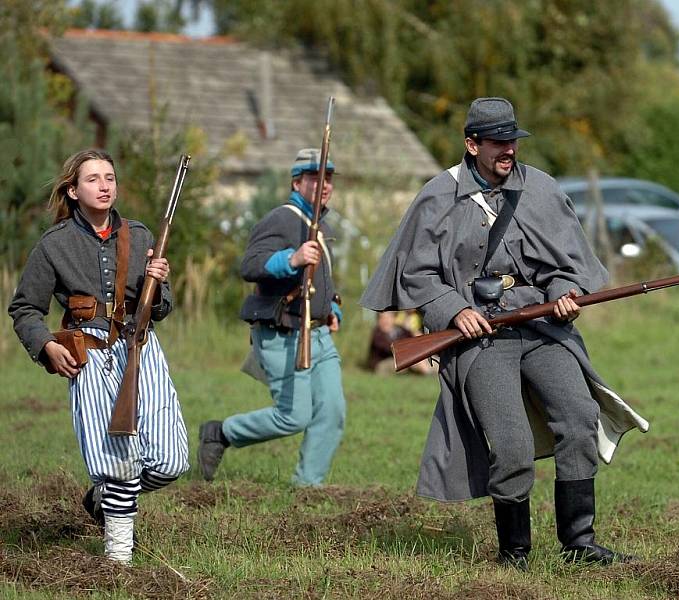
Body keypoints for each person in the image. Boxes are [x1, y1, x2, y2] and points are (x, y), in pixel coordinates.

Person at [360, 97, 649, 570]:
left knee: (579, 419)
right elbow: (417, 276)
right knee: (511, 446)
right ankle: (514, 555)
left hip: (540, 328)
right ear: (472, 144)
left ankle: (579, 544)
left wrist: (563, 293)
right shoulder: (437, 196)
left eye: (512, 141)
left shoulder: (540, 189)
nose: (509, 150)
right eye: (498, 142)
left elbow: (562, 265)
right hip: (480, 340)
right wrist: (454, 310)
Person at [7, 149, 190, 564]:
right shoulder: (54, 245)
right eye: (92, 179)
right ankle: (118, 562)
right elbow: (24, 309)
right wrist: (47, 346)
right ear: (73, 191)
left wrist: (159, 284)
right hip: (88, 354)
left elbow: (161, 309)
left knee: (172, 460)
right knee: (118, 462)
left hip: (141, 348)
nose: (104, 185)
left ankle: (101, 498)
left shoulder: (141, 235)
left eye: (109, 177)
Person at [197, 148, 346, 487]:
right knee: (293, 417)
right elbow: (250, 266)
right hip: (283, 334)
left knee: (332, 412)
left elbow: (323, 280)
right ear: (297, 182)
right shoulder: (281, 219)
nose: (324, 185)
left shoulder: (320, 222)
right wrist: (291, 259)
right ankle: (221, 433)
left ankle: (308, 487)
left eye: (329, 178)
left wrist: (331, 309)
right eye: (315, 177)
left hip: (318, 334)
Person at [367, 310, 434, 375]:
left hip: (403, 360)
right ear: (378, 320)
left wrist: (415, 333)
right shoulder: (377, 334)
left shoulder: (400, 330)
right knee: (412, 359)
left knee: (427, 359)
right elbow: (389, 349)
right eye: (382, 318)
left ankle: (431, 370)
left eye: (388, 318)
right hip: (383, 363)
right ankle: (428, 373)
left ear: (393, 318)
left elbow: (414, 339)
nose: (385, 321)